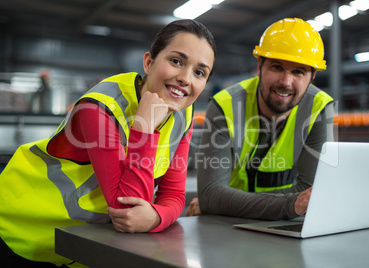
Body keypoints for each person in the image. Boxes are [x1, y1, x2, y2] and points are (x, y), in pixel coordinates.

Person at [0, 19, 216, 267]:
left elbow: (174, 195)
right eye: (176, 61)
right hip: (22, 227)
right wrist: (144, 128)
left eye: (200, 72)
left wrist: (157, 216)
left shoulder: (184, 114)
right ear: (148, 62)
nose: (185, 78)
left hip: (82, 244)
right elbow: (126, 208)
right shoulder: (101, 107)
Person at [186, 18, 334, 220]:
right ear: (259, 67)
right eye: (276, 67)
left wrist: (224, 204)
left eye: (298, 72)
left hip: (267, 224)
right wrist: (291, 203)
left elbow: (311, 194)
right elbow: (211, 195)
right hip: (227, 230)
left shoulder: (319, 108)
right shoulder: (224, 105)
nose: (286, 82)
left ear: (312, 77)